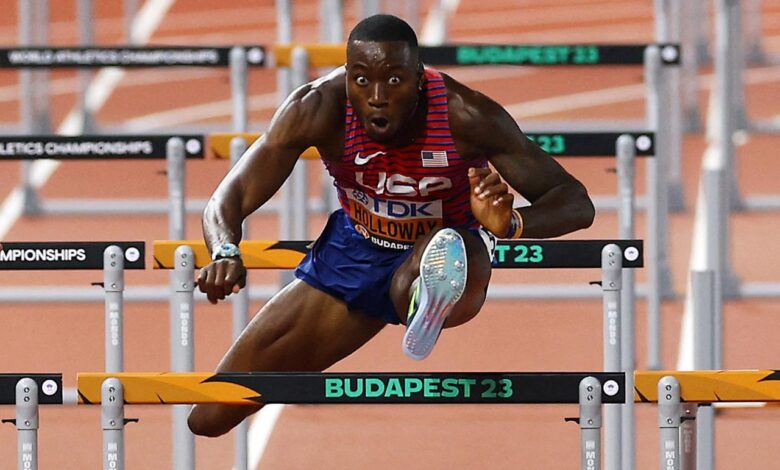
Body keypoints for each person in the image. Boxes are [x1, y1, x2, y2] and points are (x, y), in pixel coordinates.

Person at [188, 14, 594, 437]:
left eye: (394, 81)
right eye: (361, 81)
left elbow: (575, 202)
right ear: (347, 77)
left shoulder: (465, 115)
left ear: (418, 78)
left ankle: (426, 296)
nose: (377, 97)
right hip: (355, 252)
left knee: (441, 251)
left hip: (455, 252)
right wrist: (225, 250)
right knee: (211, 415)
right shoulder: (316, 107)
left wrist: (509, 224)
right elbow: (225, 200)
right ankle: (418, 294)